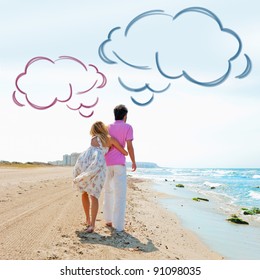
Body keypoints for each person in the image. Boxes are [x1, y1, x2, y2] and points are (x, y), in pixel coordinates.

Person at [73, 121, 128, 233]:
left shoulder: (93, 139)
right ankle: (92, 224)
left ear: (93, 130)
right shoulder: (109, 139)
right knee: (94, 195)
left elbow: (93, 150)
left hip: (84, 163)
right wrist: (120, 150)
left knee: (84, 192)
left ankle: (88, 220)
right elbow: (124, 152)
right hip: (97, 166)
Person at [103, 104, 137, 232]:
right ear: (125, 115)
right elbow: (129, 147)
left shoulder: (107, 127)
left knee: (108, 191)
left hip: (107, 163)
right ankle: (118, 226)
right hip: (119, 164)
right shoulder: (128, 127)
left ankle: (108, 220)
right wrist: (133, 161)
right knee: (120, 195)